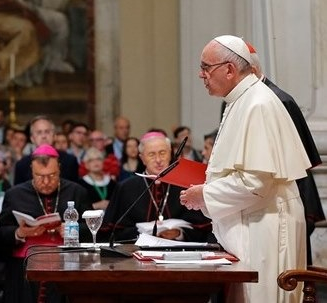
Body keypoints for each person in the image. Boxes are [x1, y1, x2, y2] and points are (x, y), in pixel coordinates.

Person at [179, 35, 309, 302]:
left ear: (229, 69)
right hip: (253, 224)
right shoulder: (241, 99)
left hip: (265, 228)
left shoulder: (257, 103)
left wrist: (204, 194)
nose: (201, 74)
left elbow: (255, 184)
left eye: (206, 67)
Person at [245, 41, 325, 265]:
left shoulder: (279, 101)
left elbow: (295, 163)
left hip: (279, 200)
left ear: (252, 71)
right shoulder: (240, 100)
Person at [0, 144, 90, 303]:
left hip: (67, 264)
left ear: (59, 169)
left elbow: (94, 228)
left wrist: (74, 230)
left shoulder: (77, 191)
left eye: (52, 175)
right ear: (31, 170)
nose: (46, 181)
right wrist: (20, 233)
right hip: (25, 268)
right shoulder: (15, 194)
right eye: (39, 176)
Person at [100, 132, 212, 243]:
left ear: (170, 154)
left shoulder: (186, 186)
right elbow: (114, 231)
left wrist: (179, 233)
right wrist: (145, 233)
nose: (158, 160)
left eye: (162, 153)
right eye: (151, 154)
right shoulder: (126, 188)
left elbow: (204, 228)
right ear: (142, 158)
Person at [13, 116, 79, 185]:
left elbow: (75, 189)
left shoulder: (70, 161)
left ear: (54, 136)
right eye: (39, 132)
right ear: (32, 138)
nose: (43, 136)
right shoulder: (21, 165)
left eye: (47, 132)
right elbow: (18, 191)